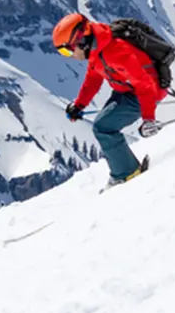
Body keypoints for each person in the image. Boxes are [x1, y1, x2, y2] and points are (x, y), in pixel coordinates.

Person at [52, 12, 168, 187]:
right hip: (126, 90)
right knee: (104, 124)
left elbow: (145, 85)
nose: (69, 55)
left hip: (145, 92)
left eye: (67, 50)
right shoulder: (96, 49)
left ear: (81, 41)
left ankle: (127, 174)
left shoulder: (116, 52)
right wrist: (79, 105)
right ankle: (125, 169)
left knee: (103, 128)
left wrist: (149, 119)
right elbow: (93, 78)